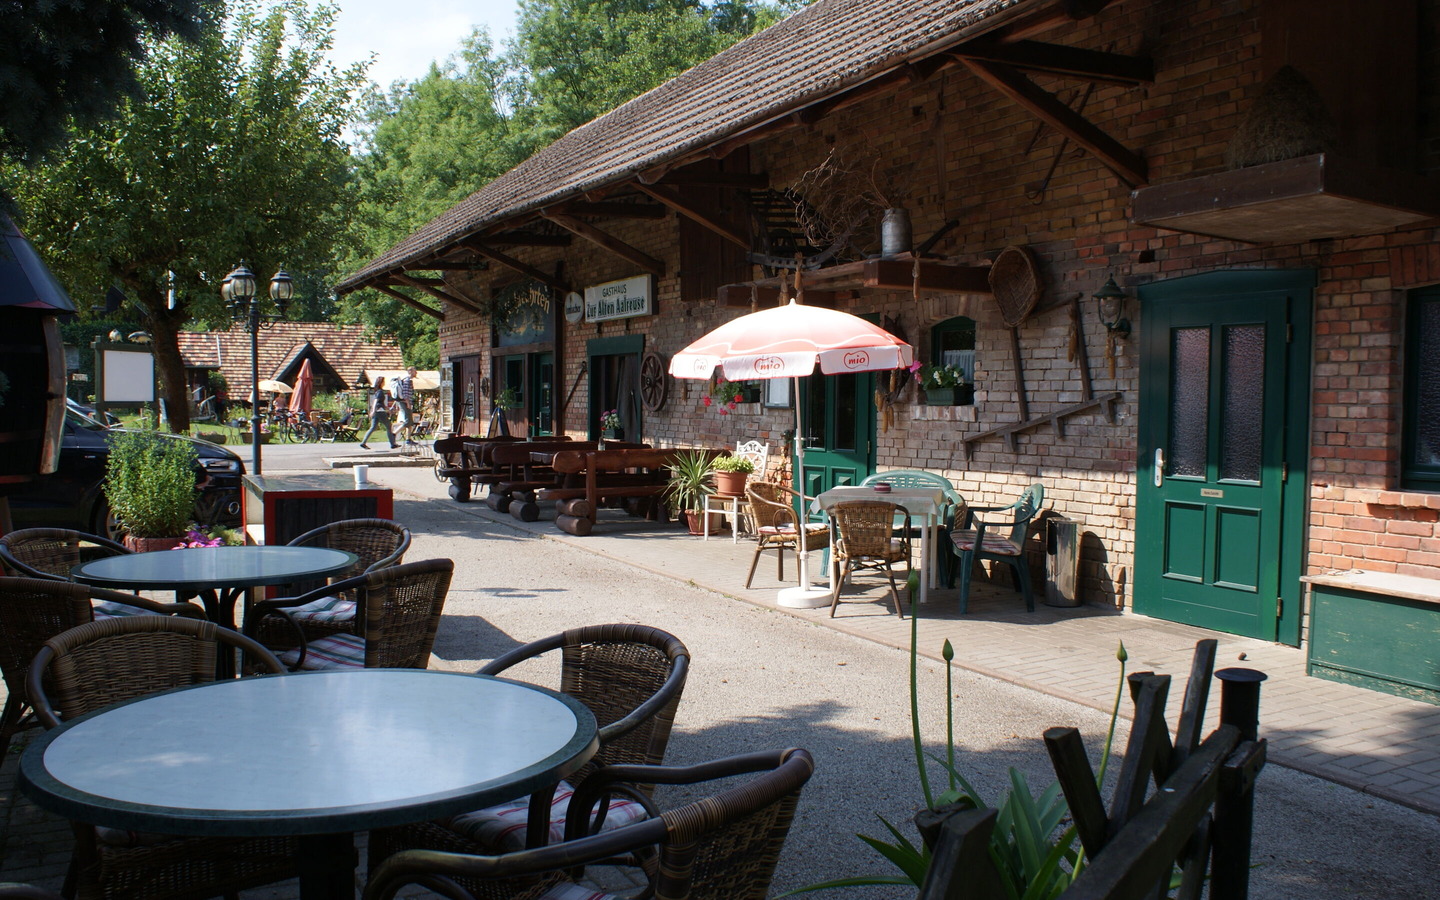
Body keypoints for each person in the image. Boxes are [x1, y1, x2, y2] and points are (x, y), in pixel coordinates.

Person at [359, 376, 398, 450]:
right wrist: (373, 410)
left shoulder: (377, 391)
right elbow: (376, 401)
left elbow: (381, 403)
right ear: (381, 383)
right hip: (379, 411)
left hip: (378, 410)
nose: (384, 383)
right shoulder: (380, 392)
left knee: (373, 427)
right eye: (383, 381)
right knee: (389, 426)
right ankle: (392, 444)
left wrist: (387, 409)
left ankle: (363, 443)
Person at [394, 366, 418, 445]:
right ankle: (394, 433)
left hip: (406, 402)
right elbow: (405, 394)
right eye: (415, 371)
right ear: (410, 371)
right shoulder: (407, 381)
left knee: (410, 422)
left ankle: (408, 439)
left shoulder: (408, 380)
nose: (416, 372)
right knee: (408, 421)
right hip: (405, 403)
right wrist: (408, 403)